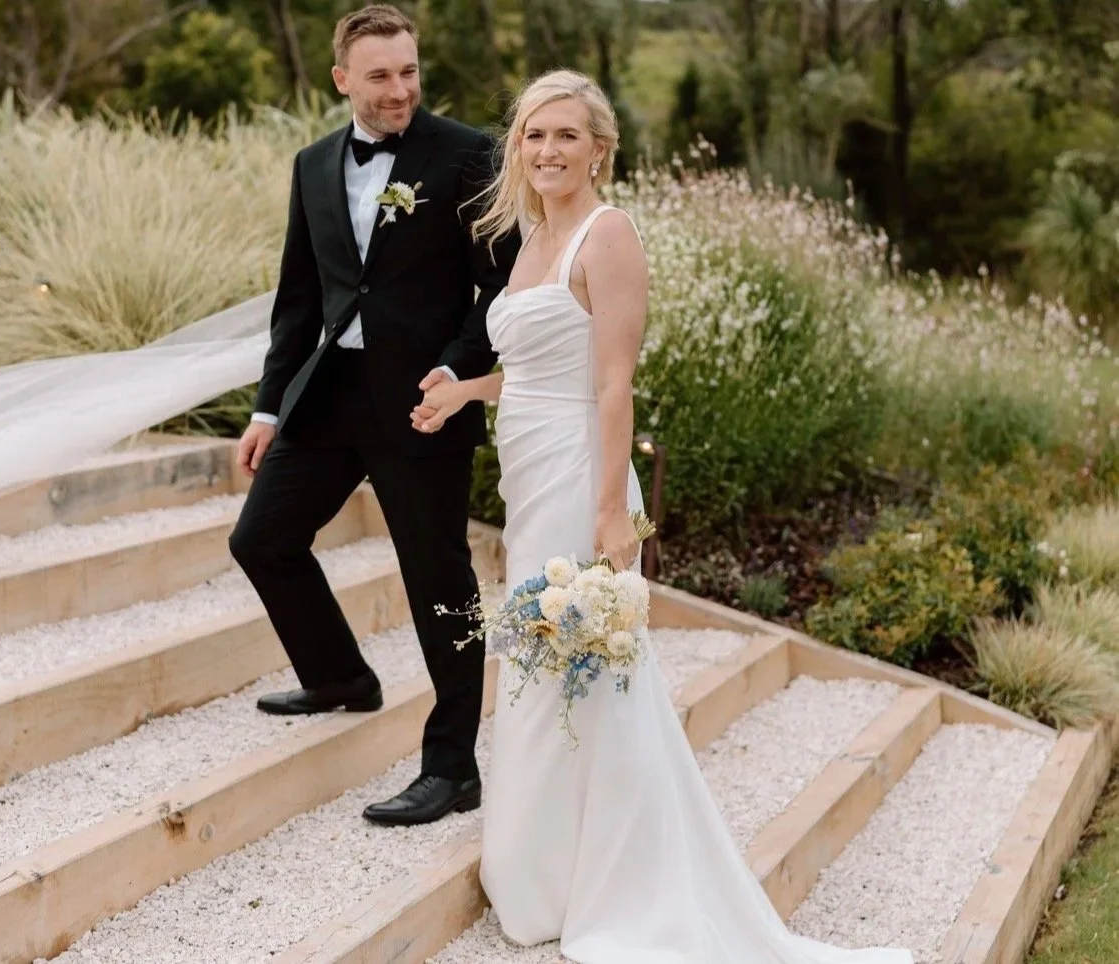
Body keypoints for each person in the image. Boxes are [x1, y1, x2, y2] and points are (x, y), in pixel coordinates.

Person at [410, 69, 915, 963]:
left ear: (600, 147)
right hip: (528, 477)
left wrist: (612, 514)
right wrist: (464, 392)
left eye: (566, 135)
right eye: (534, 135)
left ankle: (618, 882)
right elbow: (530, 372)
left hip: (582, 480)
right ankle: (540, 877)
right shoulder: (530, 238)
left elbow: (611, 386)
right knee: (537, 665)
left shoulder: (608, 237)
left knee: (588, 674)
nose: (548, 150)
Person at [228, 4, 519, 828]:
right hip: (328, 394)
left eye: (410, 72)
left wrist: (457, 370)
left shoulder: (467, 155)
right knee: (261, 540)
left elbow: (499, 284)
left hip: (423, 402)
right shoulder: (313, 165)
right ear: (342, 80)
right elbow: (299, 298)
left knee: (438, 581)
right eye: (382, 75)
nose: (400, 90)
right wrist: (267, 406)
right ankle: (340, 678)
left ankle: (453, 766)